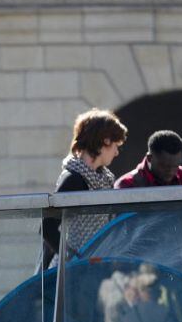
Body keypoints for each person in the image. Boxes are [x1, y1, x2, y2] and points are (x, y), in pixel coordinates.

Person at [42, 109, 128, 268]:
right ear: (106, 141)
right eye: (116, 146)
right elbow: (47, 227)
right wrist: (74, 257)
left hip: (93, 267)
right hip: (71, 271)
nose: (116, 152)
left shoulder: (104, 179)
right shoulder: (73, 179)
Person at [114, 130, 182, 189]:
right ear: (149, 158)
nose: (171, 171)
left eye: (176, 166)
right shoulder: (128, 185)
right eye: (164, 166)